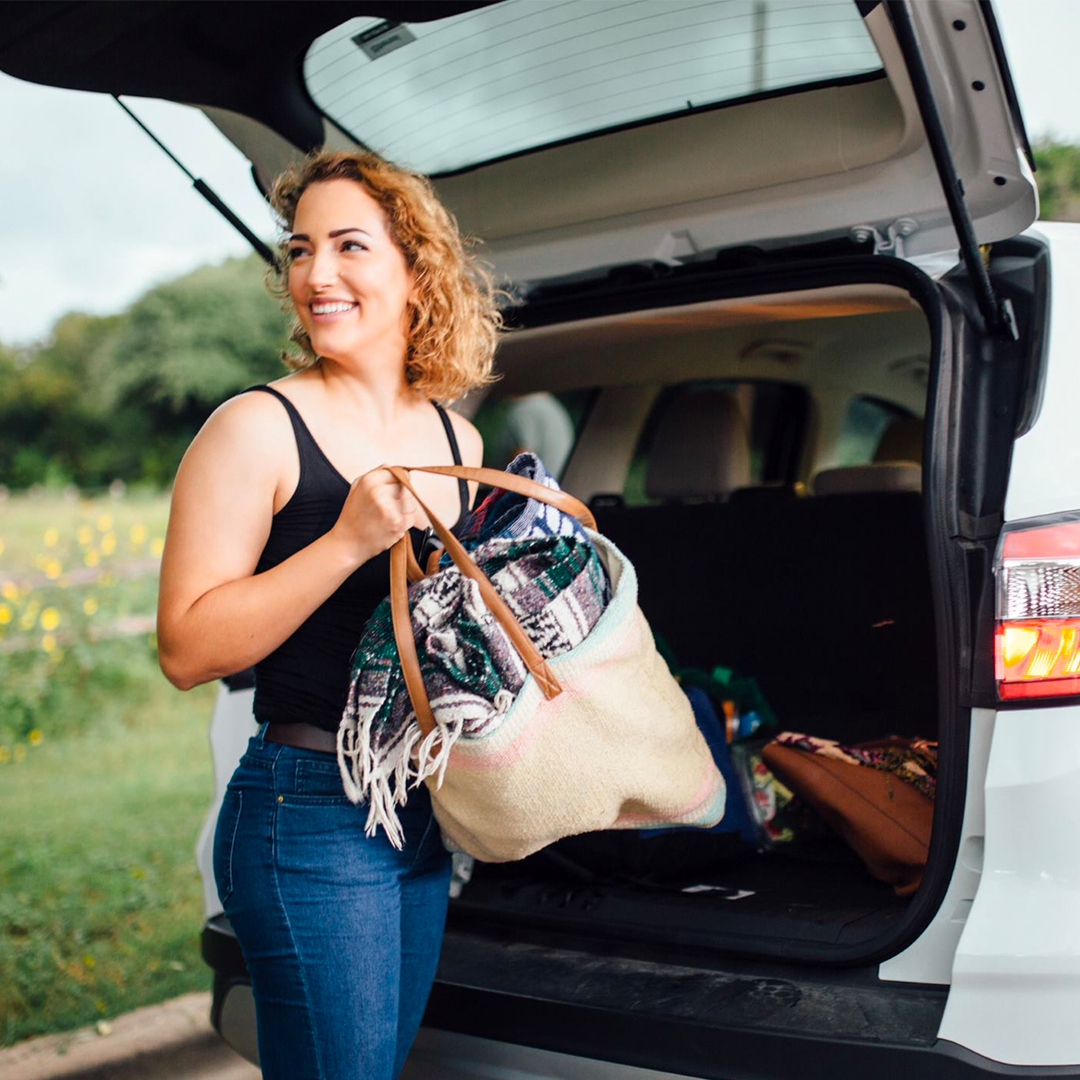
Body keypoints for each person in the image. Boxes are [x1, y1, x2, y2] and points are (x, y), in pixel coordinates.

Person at [156, 148, 505, 1080]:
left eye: (350, 245)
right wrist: (347, 540)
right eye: (301, 249)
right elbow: (187, 650)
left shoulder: (454, 435)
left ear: (415, 269)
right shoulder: (256, 427)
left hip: (421, 809)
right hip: (305, 812)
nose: (316, 274)